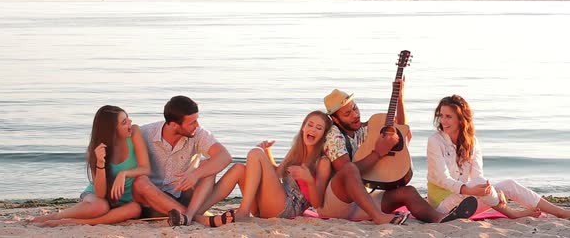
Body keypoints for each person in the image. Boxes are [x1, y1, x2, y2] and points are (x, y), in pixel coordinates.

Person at [318, 84, 478, 224]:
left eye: (355, 108)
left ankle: (440, 218)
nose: (355, 115)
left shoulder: (359, 129)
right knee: (349, 169)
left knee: (408, 192)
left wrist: (400, 97)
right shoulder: (333, 136)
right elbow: (347, 174)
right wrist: (378, 153)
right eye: (347, 114)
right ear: (336, 120)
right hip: (336, 205)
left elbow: (401, 129)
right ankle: (379, 217)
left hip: (360, 203)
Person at [427, 95, 570, 219]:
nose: (443, 121)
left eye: (448, 116)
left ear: (460, 119)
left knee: (509, 185)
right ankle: (511, 213)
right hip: (441, 206)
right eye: (441, 116)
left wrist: (492, 191)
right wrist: (473, 191)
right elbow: (443, 179)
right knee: (481, 184)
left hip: (464, 201)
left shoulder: (472, 142)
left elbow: (477, 176)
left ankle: (561, 213)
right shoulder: (435, 141)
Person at [190, 110, 334, 226]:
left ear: (323, 135)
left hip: (288, 207)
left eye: (319, 128)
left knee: (255, 153)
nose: (313, 129)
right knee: (239, 168)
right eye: (310, 124)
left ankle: (244, 211)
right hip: (271, 202)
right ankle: (196, 213)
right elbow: (277, 173)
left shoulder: (322, 162)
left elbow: (317, 203)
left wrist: (309, 180)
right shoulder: (296, 150)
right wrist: (268, 152)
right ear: (303, 127)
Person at [31, 105, 151, 226]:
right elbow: (100, 194)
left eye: (128, 118)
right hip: (97, 198)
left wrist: (124, 173)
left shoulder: (134, 132)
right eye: (124, 122)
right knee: (101, 207)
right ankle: (56, 216)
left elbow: (146, 168)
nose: (130, 122)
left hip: (125, 201)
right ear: (112, 130)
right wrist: (100, 162)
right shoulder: (96, 149)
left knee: (135, 209)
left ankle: (74, 222)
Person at [131, 95, 233, 227]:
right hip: (152, 200)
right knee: (140, 181)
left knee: (209, 166)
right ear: (173, 125)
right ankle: (197, 218)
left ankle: (187, 216)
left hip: (183, 196)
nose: (197, 125)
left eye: (196, 120)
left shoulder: (198, 134)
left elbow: (225, 156)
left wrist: (195, 174)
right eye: (192, 122)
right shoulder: (145, 134)